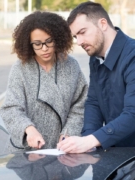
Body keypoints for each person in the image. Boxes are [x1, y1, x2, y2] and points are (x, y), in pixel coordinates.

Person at [0, 11, 88, 153]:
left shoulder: (71, 65)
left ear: (58, 38)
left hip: (61, 149)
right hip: (26, 151)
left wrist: (69, 132)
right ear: (28, 44)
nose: (44, 48)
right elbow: (11, 108)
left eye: (49, 41)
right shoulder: (20, 68)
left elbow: (80, 105)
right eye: (37, 44)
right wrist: (28, 129)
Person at [57, 1, 135, 153]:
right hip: (115, 152)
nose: (79, 42)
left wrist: (90, 140)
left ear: (103, 24)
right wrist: (87, 142)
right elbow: (94, 101)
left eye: (82, 32)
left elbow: (133, 114)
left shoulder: (132, 55)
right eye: (75, 36)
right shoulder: (96, 57)